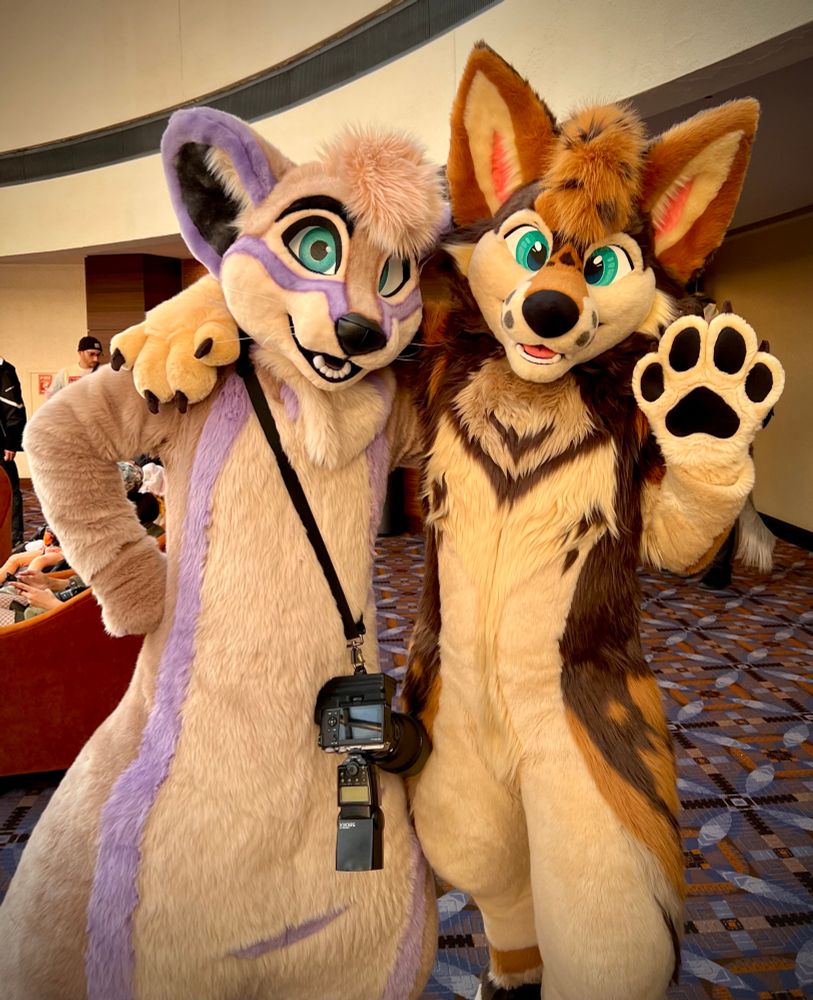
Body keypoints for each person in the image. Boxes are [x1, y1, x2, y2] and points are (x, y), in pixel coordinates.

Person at [0, 356, 27, 546]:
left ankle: (14, 541)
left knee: (9, 491)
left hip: (1, 446)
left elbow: (14, 409)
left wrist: (11, 442)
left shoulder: (4, 372)